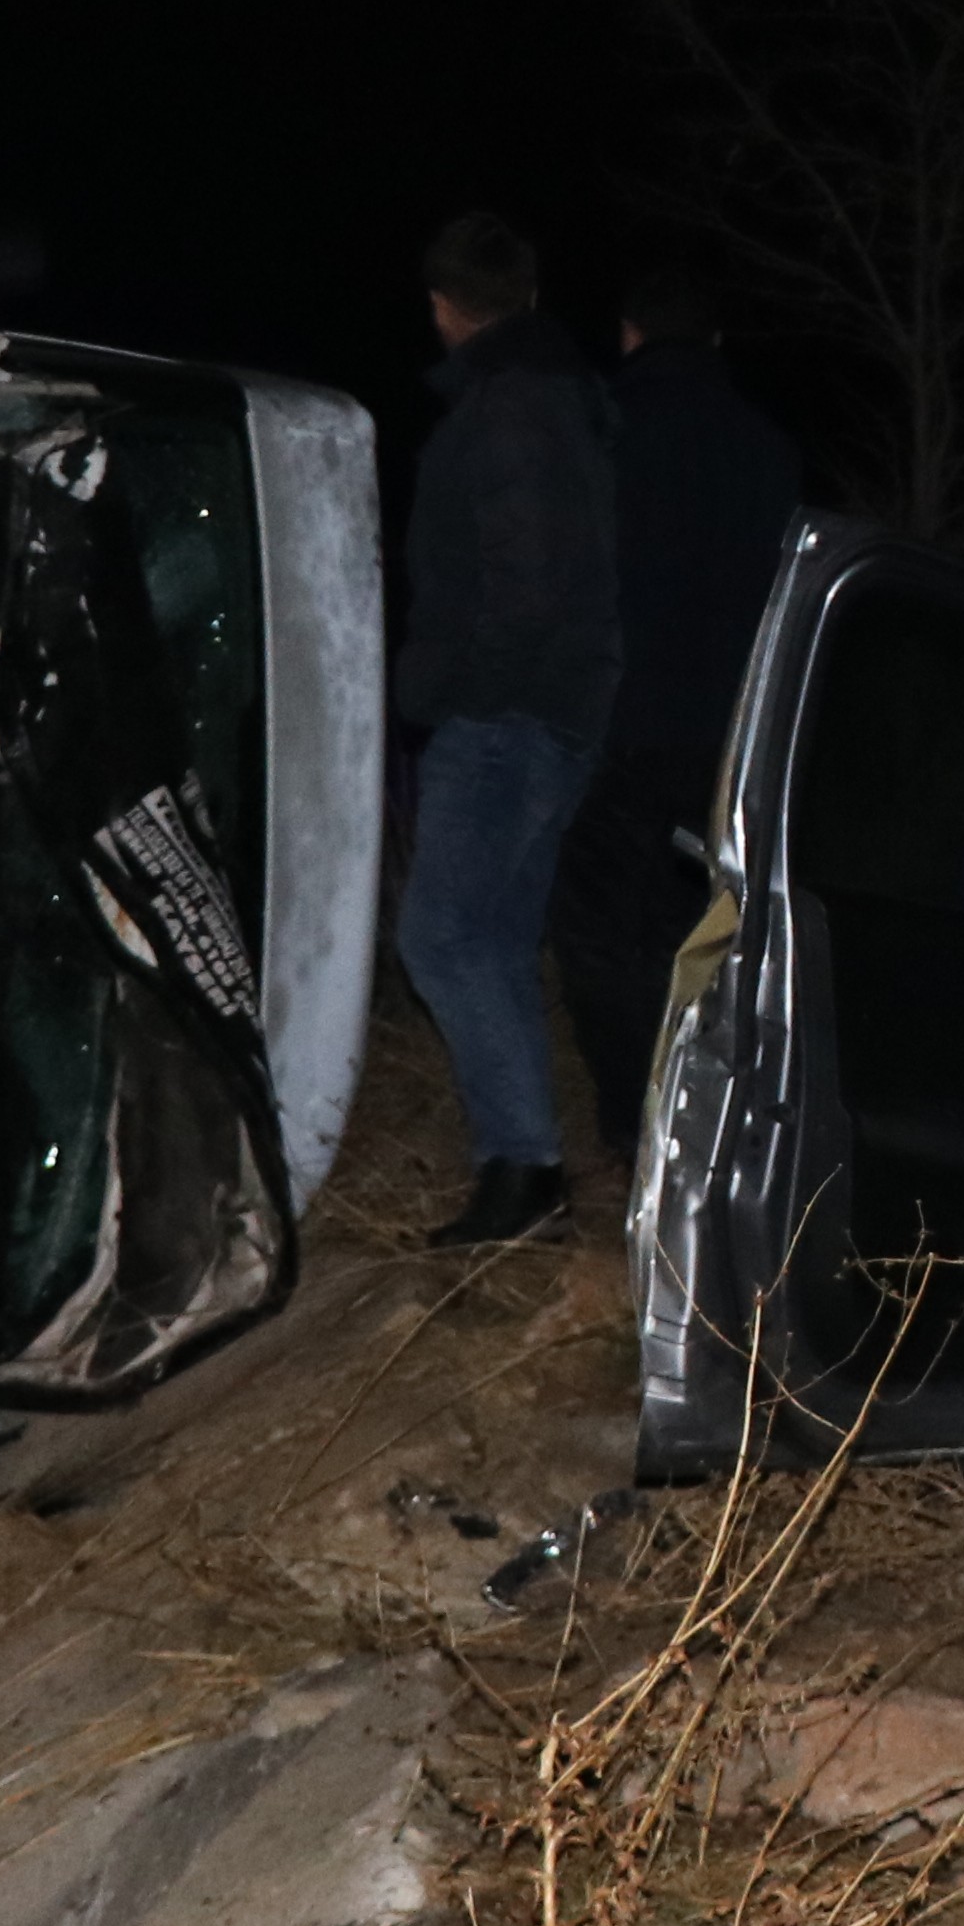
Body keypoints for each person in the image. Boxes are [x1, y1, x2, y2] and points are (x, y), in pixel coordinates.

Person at [389, 211, 615, 1248]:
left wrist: (452, 689)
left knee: (440, 934)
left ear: (445, 309)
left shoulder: (510, 412)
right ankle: (526, 1173)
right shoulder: (559, 399)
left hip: (509, 716)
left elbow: (523, 585)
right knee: (495, 939)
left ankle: (522, 1164)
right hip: (550, 708)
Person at [550, 259, 805, 1161]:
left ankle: (634, 1121)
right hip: (731, 741)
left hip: (618, 727)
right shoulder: (767, 448)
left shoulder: (603, 432)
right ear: (717, 341)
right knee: (700, 935)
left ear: (629, 334)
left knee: (600, 935)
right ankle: (699, 1129)